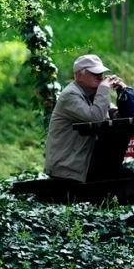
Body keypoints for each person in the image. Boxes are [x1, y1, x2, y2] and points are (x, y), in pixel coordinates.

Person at [44, 54, 126, 182]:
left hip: (85, 159)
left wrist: (123, 91)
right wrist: (104, 89)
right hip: (69, 167)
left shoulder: (94, 94)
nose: (100, 77)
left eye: (101, 73)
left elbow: (116, 115)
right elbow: (95, 118)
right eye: (95, 73)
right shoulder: (70, 95)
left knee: (120, 136)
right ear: (78, 76)